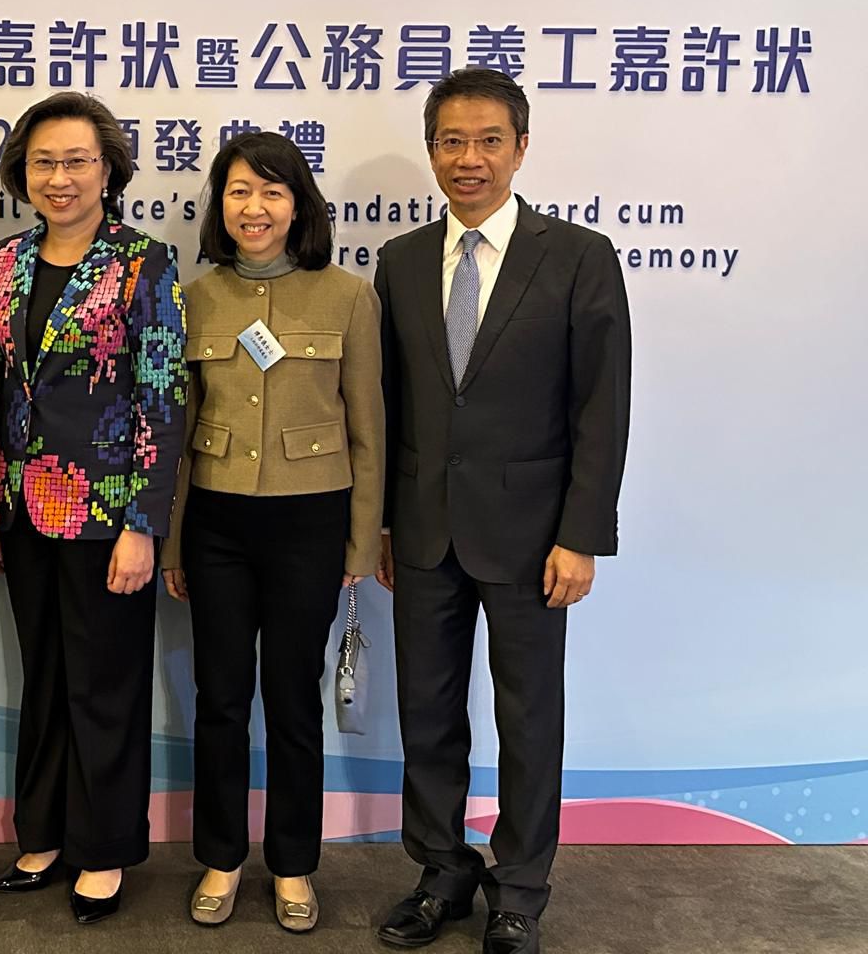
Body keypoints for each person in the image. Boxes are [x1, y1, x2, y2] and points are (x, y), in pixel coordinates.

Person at [373, 69, 631, 954]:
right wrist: (379, 525)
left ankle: (519, 888)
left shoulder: (578, 256)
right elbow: (390, 404)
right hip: (423, 529)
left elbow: (602, 407)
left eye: (489, 141)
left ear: (522, 147)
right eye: (451, 141)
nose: (469, 159)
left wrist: (581, 536)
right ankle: (441, 871)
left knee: (528, 717)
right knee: (428, 709)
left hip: (532, 539)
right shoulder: (401, 261)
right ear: (432, 150)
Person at [0, 91, 188, 925]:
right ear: (22, 172)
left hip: (108, 519)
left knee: (106, 684)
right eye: (43, 163)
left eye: (77, 161)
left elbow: (163, 398)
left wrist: (144, 524)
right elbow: (1, 388)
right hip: (24, 510)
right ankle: (45, 834)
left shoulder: (145, 262)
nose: (59, 179)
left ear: (109, 169)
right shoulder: (6, 263)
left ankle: (103, 850)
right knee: (47, 677)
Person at [160, 131, 383, 933]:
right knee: (220, 697)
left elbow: (369, 433)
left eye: (272, 192)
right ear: (220, 205)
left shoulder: (349, 297)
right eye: (238, 192)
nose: (254, 208)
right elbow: (180, 435)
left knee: (292, 700)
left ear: (299, 204)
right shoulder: (194, 298)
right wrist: (178, 540)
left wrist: (359, 545)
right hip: (217, 521)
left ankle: (292, 865)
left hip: (309, 521)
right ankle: (221, 857)